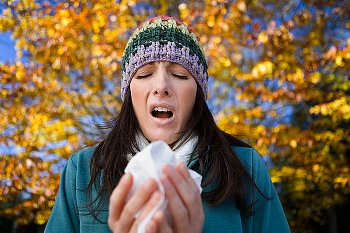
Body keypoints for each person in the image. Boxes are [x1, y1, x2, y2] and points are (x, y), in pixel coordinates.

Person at [44, 15, 291, 233]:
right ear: (129, 91)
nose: (161, 86)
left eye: (180, 74)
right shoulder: (83, 171)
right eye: (144, 74)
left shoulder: (245, 168)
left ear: (198, 93)